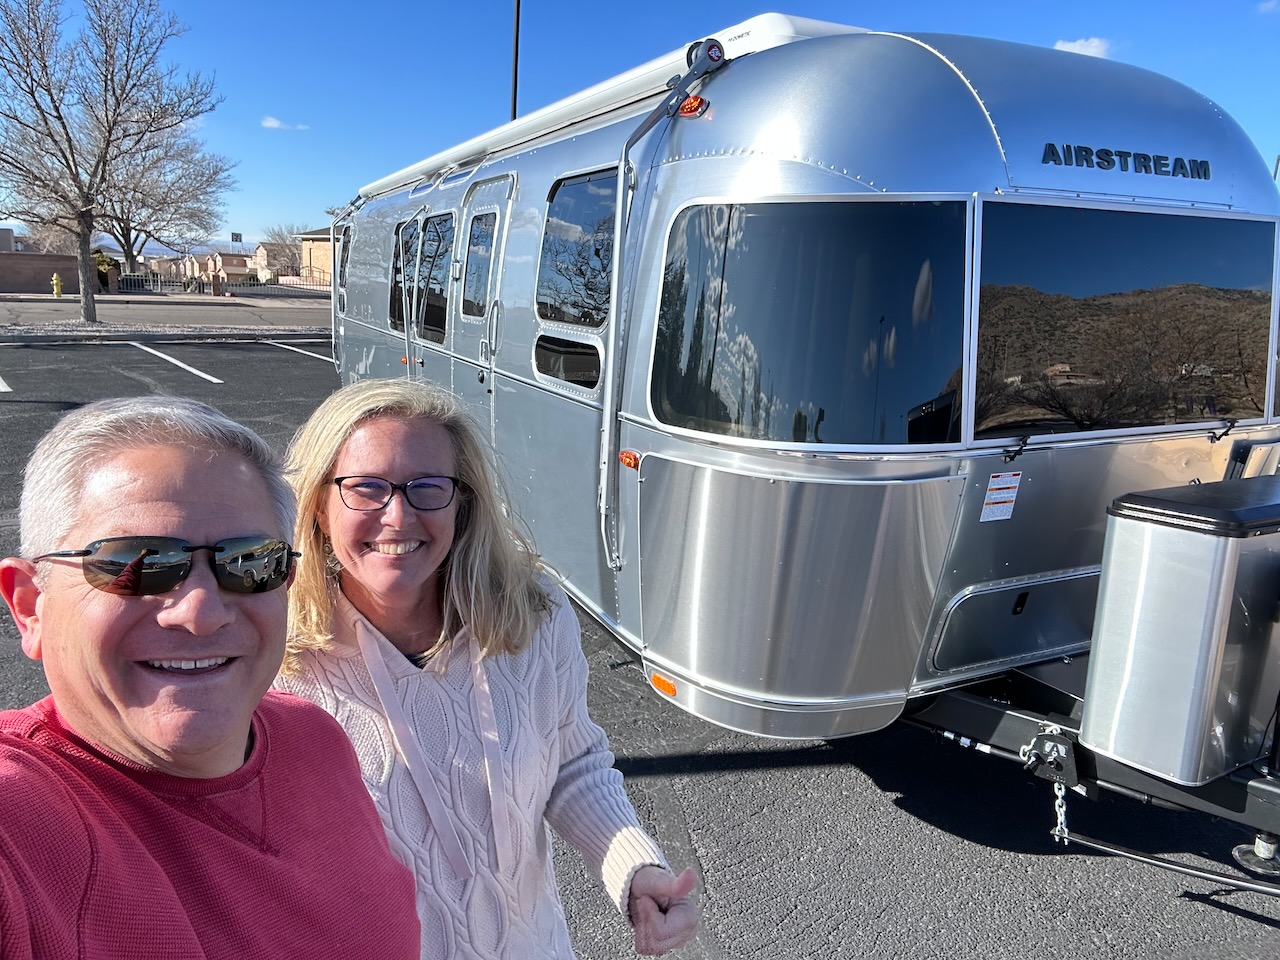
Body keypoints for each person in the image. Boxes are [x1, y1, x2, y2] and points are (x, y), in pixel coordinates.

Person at [275, 379, 700, 959]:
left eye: (428, 488)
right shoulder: (278, 663)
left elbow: (571, 764)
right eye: (366, 488)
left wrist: (636, 870)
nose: (397, 516)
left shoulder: (533, 615)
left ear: (462, 502)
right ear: (320, 507)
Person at [0, 396, 420, 958]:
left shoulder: (314, 737)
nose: (201, 611)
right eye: (141, 564)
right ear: (30, 606)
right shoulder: (23, 818)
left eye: (248, 562)